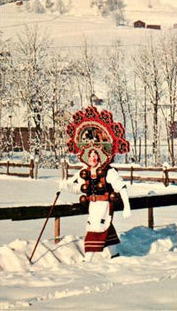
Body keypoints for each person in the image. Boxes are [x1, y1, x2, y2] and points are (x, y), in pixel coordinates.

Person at [61, 106, 132, 262]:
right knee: (104, 228)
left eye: (95, 154)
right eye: (90, 154)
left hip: (104, 205)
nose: (92, 157)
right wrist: (65, 186)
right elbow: (77, 188)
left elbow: (122, 187)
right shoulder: (85, 172)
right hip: (92, 206)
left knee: (95, 229)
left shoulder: (108, 172)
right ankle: (114, 254)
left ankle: (88, 259)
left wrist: (127, 206)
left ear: (100, 156)